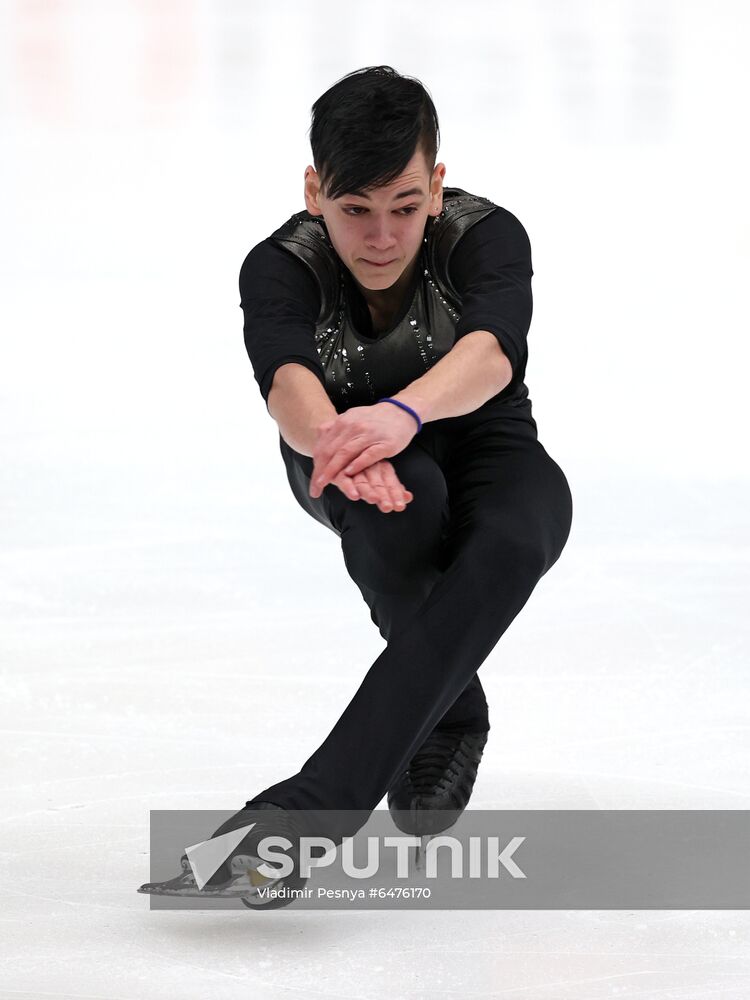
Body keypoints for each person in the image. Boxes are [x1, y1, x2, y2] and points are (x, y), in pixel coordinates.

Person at [139, 65, 573, 908]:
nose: (383, 237)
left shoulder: (485, 235)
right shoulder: (279, 264)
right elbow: (288, 382)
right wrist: (344, 443)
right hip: (340, 451)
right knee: (400, 513)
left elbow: (492, 352)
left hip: (481, 433)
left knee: (524, 529)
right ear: (314, 190)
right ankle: (446, 714)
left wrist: (403, 413)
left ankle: (323, 803)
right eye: (355, 210)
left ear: (437, 185)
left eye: (406, 207)